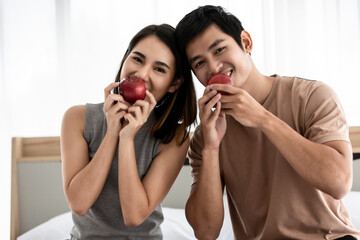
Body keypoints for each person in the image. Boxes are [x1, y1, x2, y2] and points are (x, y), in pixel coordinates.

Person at [175, 5, 360, 240]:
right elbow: (205, 231)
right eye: (199, 63)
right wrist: (211, 147)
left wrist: (262, 118)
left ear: (246, 42)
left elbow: (339, 182)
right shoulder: (205, 135)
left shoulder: (313, 96)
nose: (213, 67)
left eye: (220, 49)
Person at [60, 24, 197, 239]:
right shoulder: (76, 118)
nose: (142, 74)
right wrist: (112, 131)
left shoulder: (175, 138)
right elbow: (79, 204)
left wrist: (127, 138)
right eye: (137, 59)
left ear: (174, 84)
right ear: (125, 59)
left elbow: (134, 216)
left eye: (159, 69)